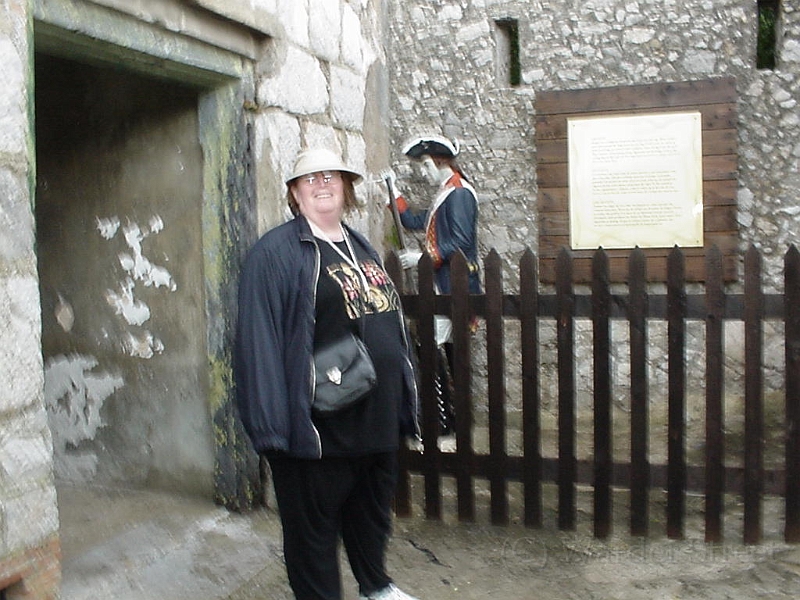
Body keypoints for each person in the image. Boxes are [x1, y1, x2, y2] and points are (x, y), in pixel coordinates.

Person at [235, 147, 421, 600]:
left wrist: (402, 402)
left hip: (373, 421)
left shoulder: (359, 245)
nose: (322, 184)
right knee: (312, 536)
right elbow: (257, 341)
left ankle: (375, 587)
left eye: (331, 176)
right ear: (295, 194)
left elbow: (387, 322)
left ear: (347, 188)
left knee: (371, 515)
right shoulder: (275, 253)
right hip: (316, 429)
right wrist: (271, 431)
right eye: (310, 178)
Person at [384, 134, 481, 436]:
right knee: (444, 349)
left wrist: (424, 257)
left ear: (438, 161)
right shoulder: (446, 194)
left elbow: (461, 241)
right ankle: (451, 416)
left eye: (425, 165)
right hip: (444, 285)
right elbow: (417, 221)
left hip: (452, 285)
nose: (423, 172)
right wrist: (394, 195)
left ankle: (444, 419)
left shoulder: (460, 194)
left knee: (435, 348)